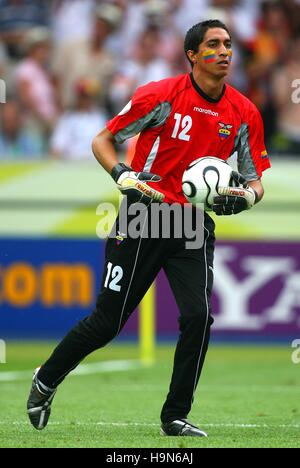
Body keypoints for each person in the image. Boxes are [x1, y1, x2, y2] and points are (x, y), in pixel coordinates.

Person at [27, 19, 271, 437]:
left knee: (198, 317)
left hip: (193, 223)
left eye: (229, 44)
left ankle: (174, 415)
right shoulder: (161, 95)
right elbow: (103, 140)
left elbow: (254, 180)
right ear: (192, 55)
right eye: (214, 44)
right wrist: (122, 173)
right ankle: (45, 380)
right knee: (108, 323)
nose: (225, 51)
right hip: (144, 214)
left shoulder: (243, 112)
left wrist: (246, 197)